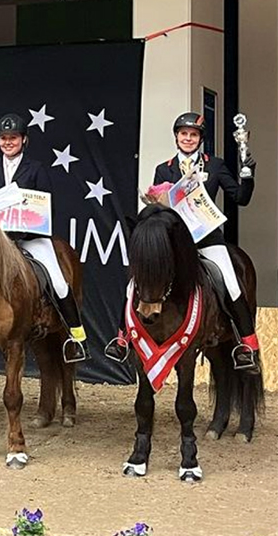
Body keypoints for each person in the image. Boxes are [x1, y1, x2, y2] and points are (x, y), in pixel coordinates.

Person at [104, 112, 260, 371]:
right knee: (136, 282)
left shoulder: (216, 166)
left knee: (231, 283)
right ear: (176, 137)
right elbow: (158, 212)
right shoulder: (163, 169)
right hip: (173, 244)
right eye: (183, 134)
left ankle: (247, 345)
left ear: (201, 139)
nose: (188, 138)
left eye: (193, 135)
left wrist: (247, 174)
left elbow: (241, 198)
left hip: (207, 239)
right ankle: (122, 338)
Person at [0, 112, 88, 364]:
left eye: (13, 138)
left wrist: (26, 230)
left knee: (58, 281)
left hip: (31, 238)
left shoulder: (35, 169)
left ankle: (76, 337)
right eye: (3, 138)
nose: (8, 142)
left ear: (24, 140)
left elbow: (45, 208)